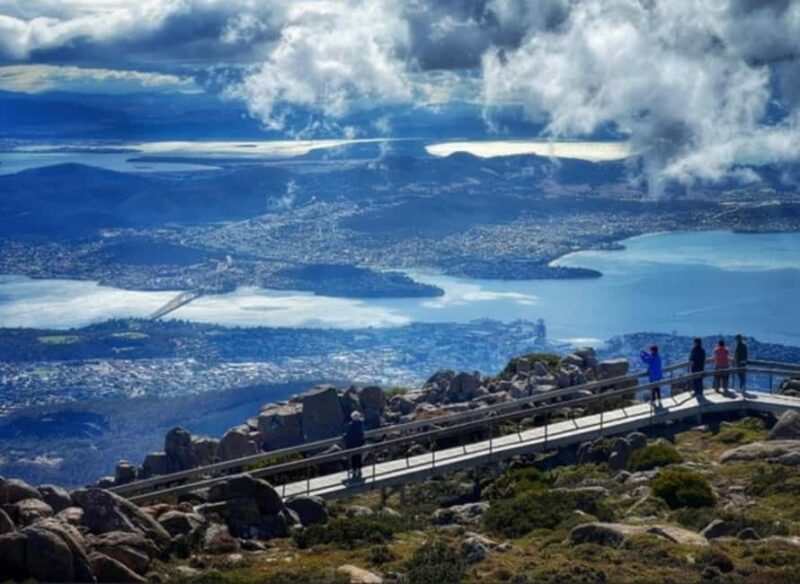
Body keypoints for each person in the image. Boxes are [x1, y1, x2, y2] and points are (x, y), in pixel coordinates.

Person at [343, 410, 365, 480]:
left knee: (353, 458)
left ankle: (354, 470)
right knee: (359, 457)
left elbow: (348, 435)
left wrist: (344, 436)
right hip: (359, 443)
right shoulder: (361, 424)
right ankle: (359, 469)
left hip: (352, 445)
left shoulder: (351, 425)